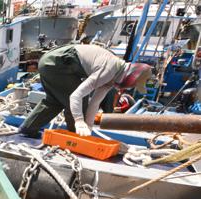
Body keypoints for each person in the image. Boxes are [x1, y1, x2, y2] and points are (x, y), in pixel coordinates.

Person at [19, 44, 153, 137]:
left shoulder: (114, 77)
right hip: (57, 62)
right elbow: (75, 96)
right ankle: (75, 138)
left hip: (51, 62)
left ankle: (28, 128)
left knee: (55, 101)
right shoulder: (109, 70)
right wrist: (79, 121)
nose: (129, 87)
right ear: (131, 76)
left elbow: (95, 103)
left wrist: (88, 126)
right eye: (132, 84)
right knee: (79, 100)